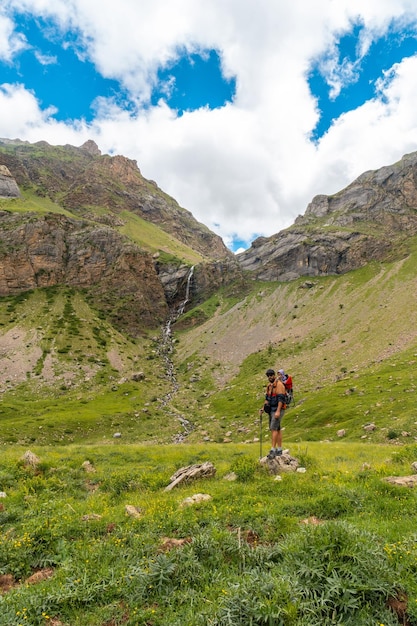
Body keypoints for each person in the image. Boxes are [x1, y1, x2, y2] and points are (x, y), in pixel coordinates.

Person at [262, 368, 286, 459]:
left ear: (274, 375)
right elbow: (267, 398)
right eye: (268, 376)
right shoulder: (269, 386)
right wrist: (262, 409)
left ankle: (273, 450)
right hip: (271, 409)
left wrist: (278, 411)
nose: (270, 377)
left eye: (271, 375)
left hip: (277, 409)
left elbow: (281, 399)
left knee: (273, 428)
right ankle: (279, 449)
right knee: (277, 428)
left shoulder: (279, 385)